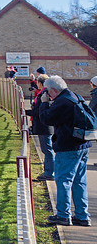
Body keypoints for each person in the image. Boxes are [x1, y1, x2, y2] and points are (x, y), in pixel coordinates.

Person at [39, 75, 92, 227]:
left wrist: (44, 104)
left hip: (68, 146)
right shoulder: (75, 96)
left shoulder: (62, 102)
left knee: (63, 180)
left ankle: (63, 215)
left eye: (48, 92)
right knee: (79, 181)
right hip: (83, 144)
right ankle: (82, 216)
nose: (47, 95)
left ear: (54, 90)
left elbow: (46, 119)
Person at [26, 74, 54, 180]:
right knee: (46, 149)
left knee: (47, 150)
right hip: (44, 125)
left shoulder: (45, 93)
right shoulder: (43, 92)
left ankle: (49, 173)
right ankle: (48, 171)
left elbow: (40, 110)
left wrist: (27, 112)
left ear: (41, 83)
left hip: (45, 126)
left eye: (37, 82)